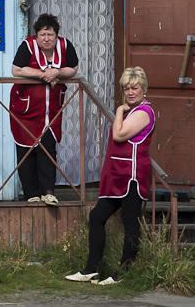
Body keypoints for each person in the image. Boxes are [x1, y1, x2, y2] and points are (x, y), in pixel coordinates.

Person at [66, 66, 155, 285]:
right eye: (126, 88)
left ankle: (123, 273)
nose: (130, 92)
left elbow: (119, 134)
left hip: (132, 176)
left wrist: (117, 111)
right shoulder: (131, 111)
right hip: (117, 176)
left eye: (134, 88)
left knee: (130, 223)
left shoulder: (144, 112)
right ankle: (91, 270)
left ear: (143, 88)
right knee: (97, 217)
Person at [10, 13, 79, 206]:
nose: (46, 39)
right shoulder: (27, 46)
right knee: (26, 149)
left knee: (48, 148)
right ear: (36, 36)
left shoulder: (65, 46)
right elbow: (16, 69)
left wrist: (57, 72)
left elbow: (73, 68)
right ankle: (30, 194)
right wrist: (42, 74)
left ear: (56, 35)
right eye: (42, 34)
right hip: (26, 110)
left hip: (52, 108)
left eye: (50, 34)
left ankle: (48, 192)